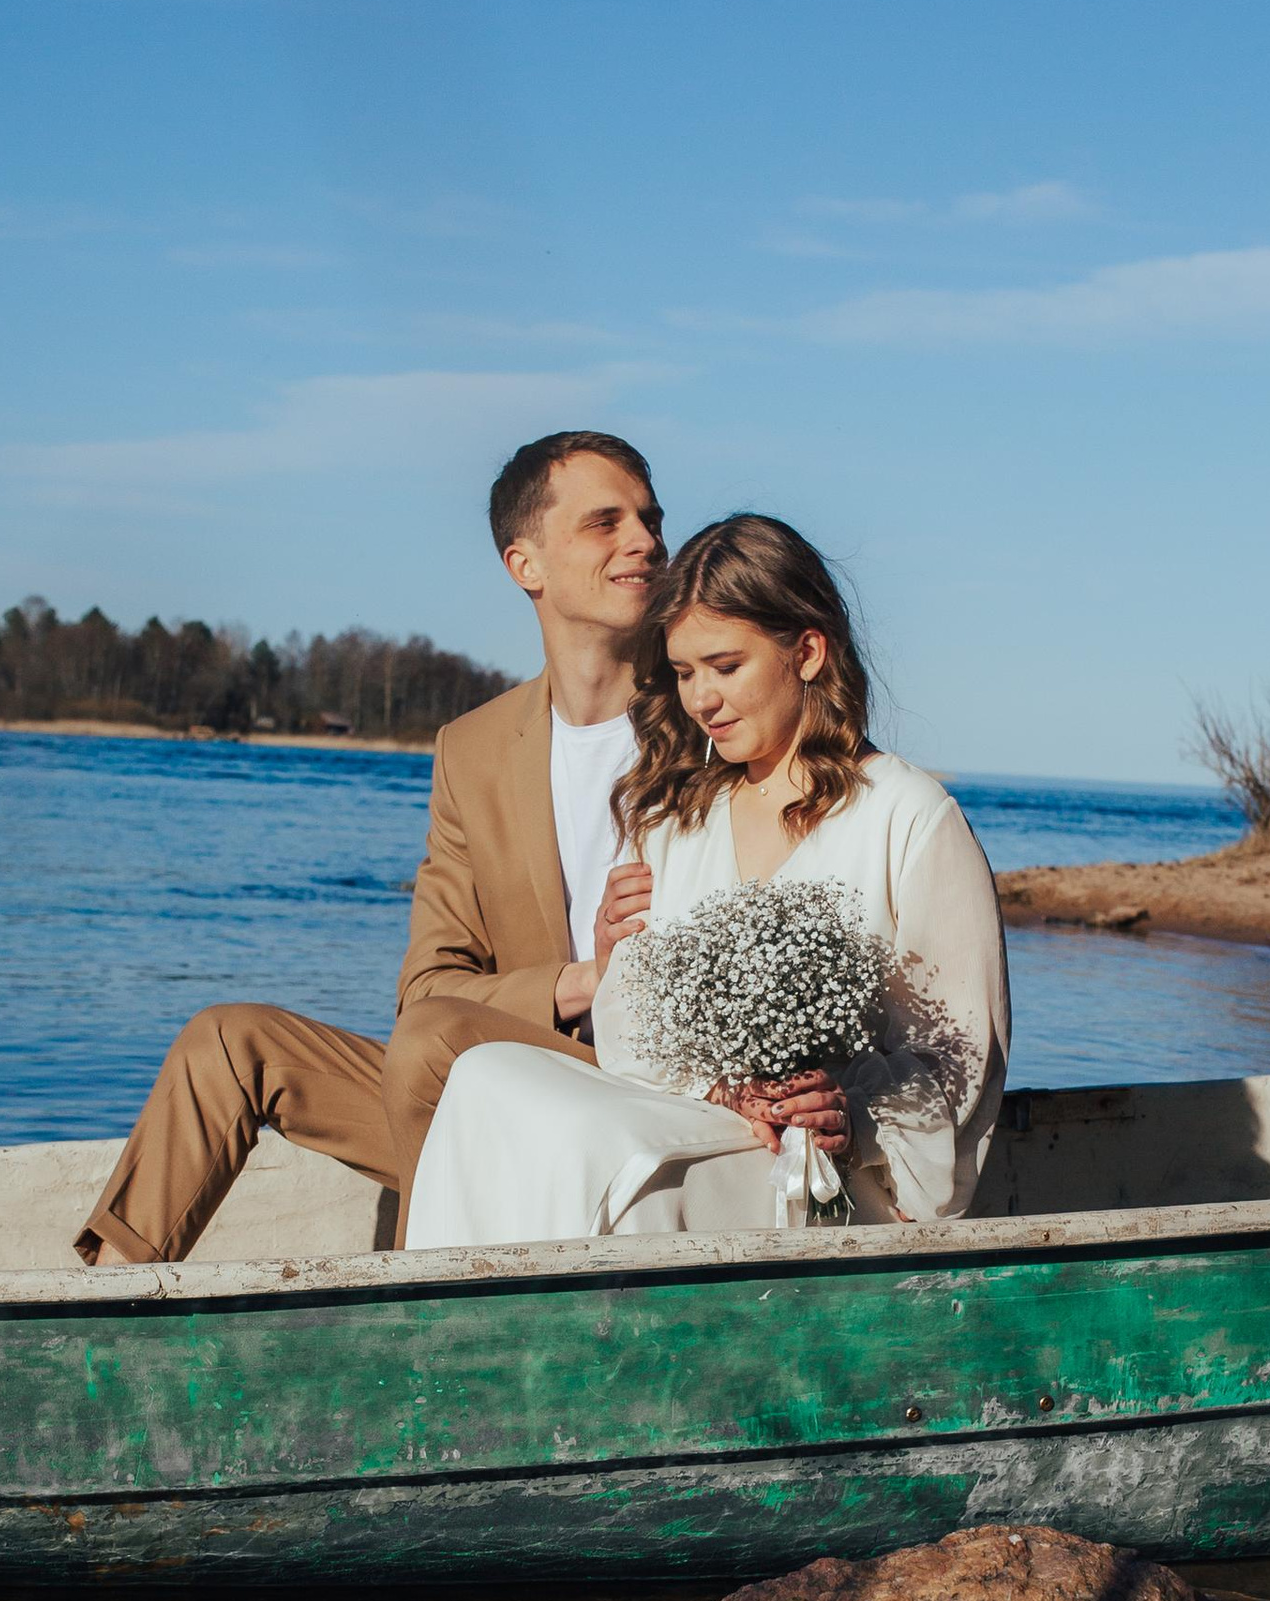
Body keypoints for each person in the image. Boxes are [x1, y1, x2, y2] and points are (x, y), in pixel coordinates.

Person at [75, 431, 665, 1263]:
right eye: (605, 522)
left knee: (428, 1049)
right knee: (226, 1040)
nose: (644, 541)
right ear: (525, 565)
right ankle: (99, 1311)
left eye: (649, 518)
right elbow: (430, 988)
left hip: (648, 1106)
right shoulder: (475, 747)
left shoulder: (707, 718)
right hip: (500, 1090)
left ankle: (420, 1319)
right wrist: (579, 983)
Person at [402, 515, 1009, 1249]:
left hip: (825, 1174)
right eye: (685, 673)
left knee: (608, 1147)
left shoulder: (909, 817)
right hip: (685, 1113)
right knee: (487, 1076)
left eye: (725, 667)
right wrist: (723, 1089)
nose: (701, 702)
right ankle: (452, 1332)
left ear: (808, 652)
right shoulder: (675, 813)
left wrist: (846, 1111)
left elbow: (958, 1061)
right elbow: (626, 1015)